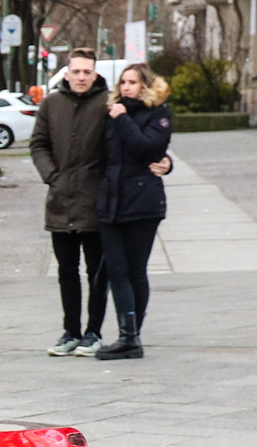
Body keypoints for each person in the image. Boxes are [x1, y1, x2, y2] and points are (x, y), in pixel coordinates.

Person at [32, 48, 111, 356]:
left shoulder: (107, 104)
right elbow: (39, 143)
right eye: (76, 72)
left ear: (95, 74)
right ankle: (70, 332)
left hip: (96, 204)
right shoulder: (52, 105)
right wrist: (53, 176)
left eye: (86, 72)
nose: (81, 77)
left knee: (97, 271)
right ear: (66, 73)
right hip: (60, 202)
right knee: (67, 270)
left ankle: (94, 332)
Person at [95, 64, 173, 362]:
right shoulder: (112, 113)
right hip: (112, 200)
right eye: (123, 82)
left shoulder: (158, 114)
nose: (126, 87)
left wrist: (124, 119)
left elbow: (147, 148)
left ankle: (131, 336)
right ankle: (128, 336)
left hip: (143, 202)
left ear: (145, 86)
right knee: (116, 270)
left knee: (135, 269)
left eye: (132, 82)